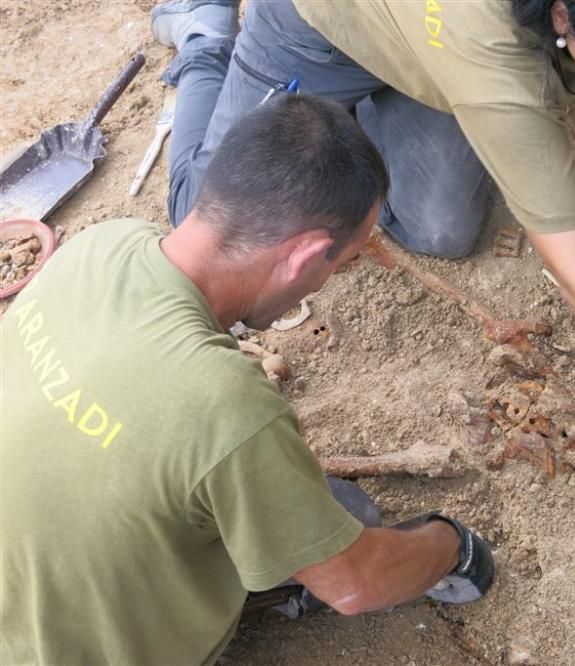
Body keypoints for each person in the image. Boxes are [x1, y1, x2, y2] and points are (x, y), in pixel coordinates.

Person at [151, 0, 575, 514]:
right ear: (562, 16)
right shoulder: (500, 74)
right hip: (315, 29)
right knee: (209, 216)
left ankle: (379, 96)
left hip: (428, 40)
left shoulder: (498, 70)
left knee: (441, 227)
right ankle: (205, 35)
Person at [0, 95, 493, 665]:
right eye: (344, 261)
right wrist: (448, 542)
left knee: (331, 510)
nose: (333, 277)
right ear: (304, 255)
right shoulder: (226, 406)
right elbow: (357, 586)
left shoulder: (102, 244)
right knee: (351, 533)